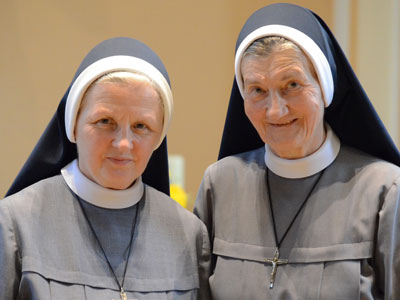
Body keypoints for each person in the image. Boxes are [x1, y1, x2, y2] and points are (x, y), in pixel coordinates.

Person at [194, 3, 400, 299]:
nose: (275, 110)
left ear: (325, 87)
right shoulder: (221, 184)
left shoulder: (384, 192)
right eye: (257, 90)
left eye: (292, 84)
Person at [0, 37, 211, 299]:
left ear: (158, 138)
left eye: (141, 126)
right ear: (73, 125)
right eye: (105, 121)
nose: (123, 144)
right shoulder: (15, 224)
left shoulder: (189, 235)